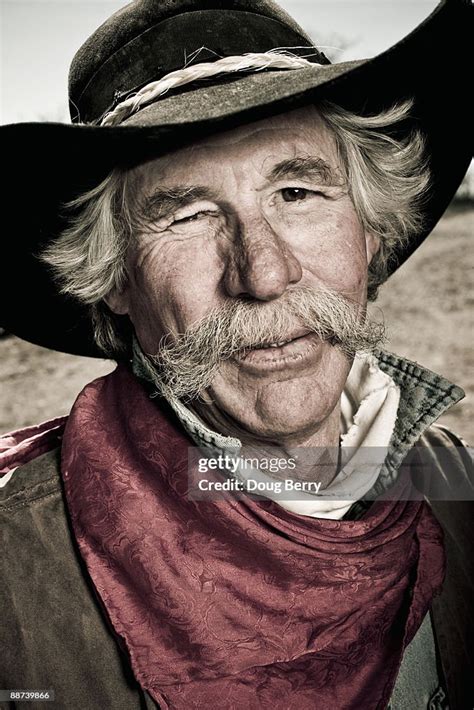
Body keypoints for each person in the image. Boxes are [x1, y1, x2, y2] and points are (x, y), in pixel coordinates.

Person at [0, 1, 472, 708]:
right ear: (117, 280)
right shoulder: (15, 571)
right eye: (188, 215)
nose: (264, 273)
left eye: (298, 191)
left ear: (371, 230)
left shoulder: (454, 485)